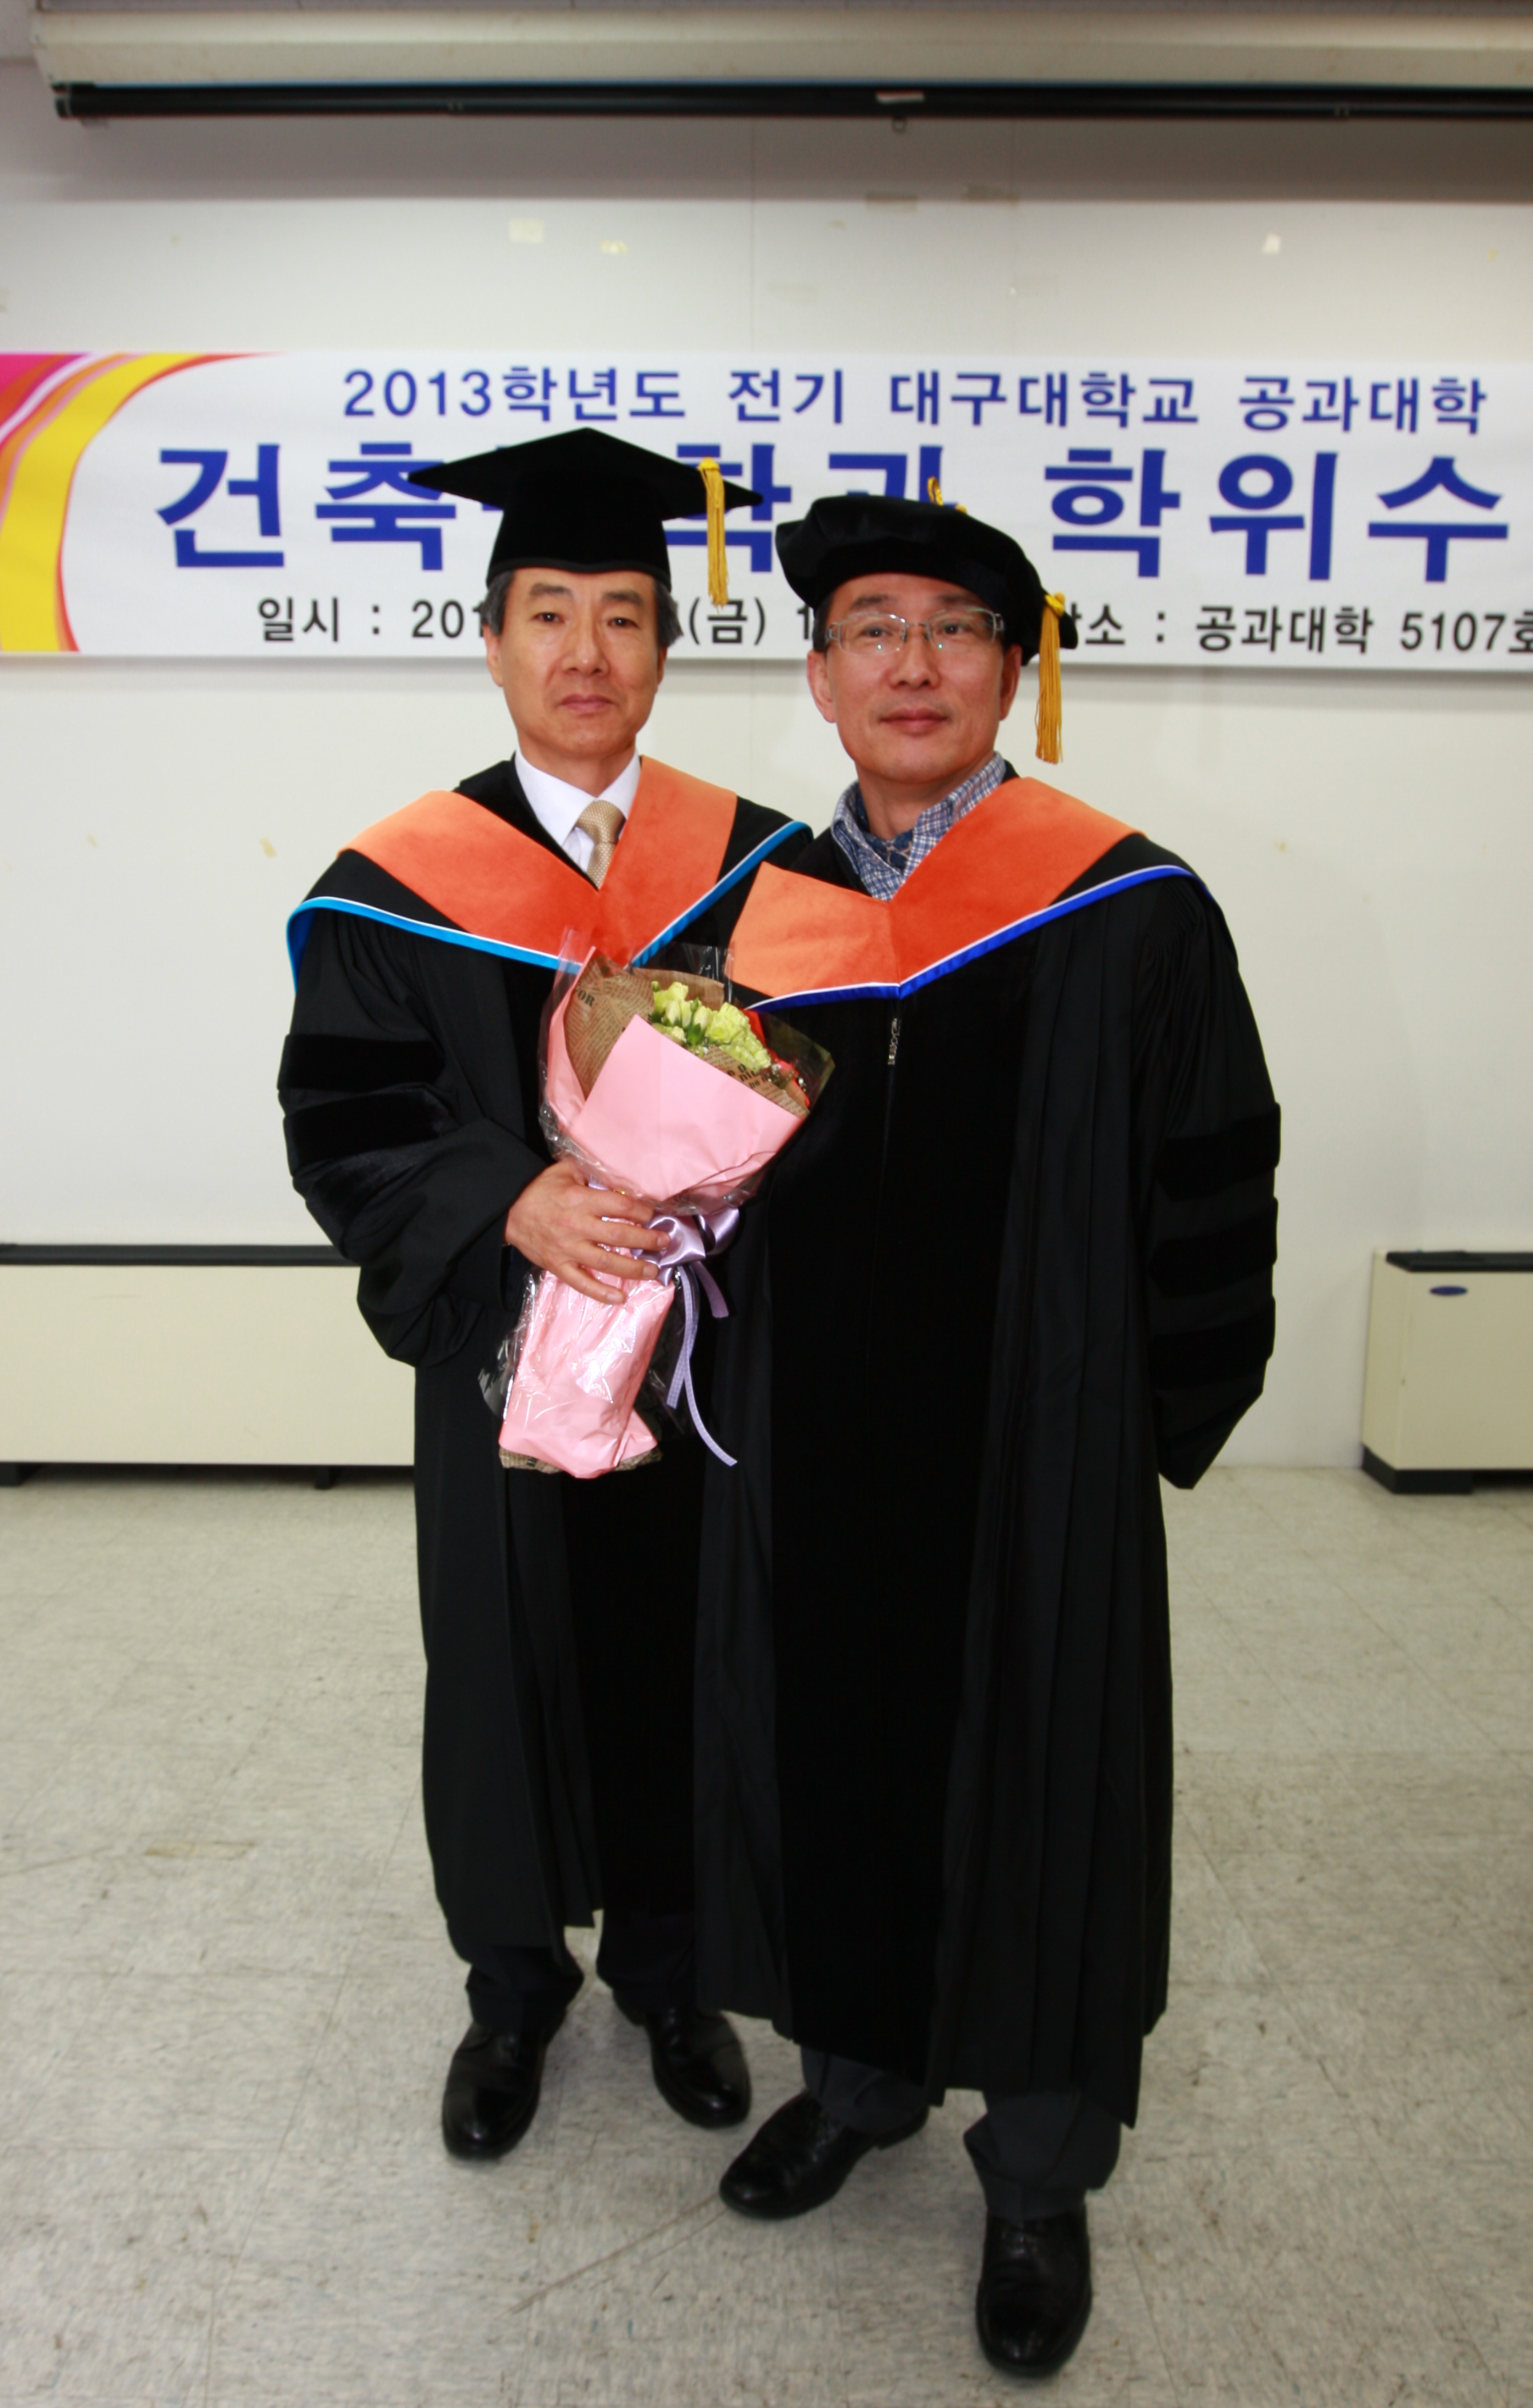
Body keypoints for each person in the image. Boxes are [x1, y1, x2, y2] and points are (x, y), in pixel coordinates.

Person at [695, 492, 1279, 2377]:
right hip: (805, 1452)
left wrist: (1141, 1430)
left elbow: (1215, 1178)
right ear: (820, 675)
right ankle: (859, 2079)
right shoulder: (756, 919)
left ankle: (1037, 2168)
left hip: (1039, 1457)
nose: (914, 664)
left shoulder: (1130, 906)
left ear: (1013, 671)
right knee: (824, 1752)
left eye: (955, 629)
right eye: (873, 628)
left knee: (1043, 1778)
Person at [279, 429, 805, 2165]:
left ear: (666, 646)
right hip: (498, 1354)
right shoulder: (398, 884)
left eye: (626, 614)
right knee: (499, 1662)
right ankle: (511, 1988)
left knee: (684, 1651)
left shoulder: (764, 867)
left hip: (700, 1364)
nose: (589, 652)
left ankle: (672, 1970)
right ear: (492, 638)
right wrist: (510, 1199)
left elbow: (830, 1101)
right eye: (551, 612)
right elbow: (343, 1120)